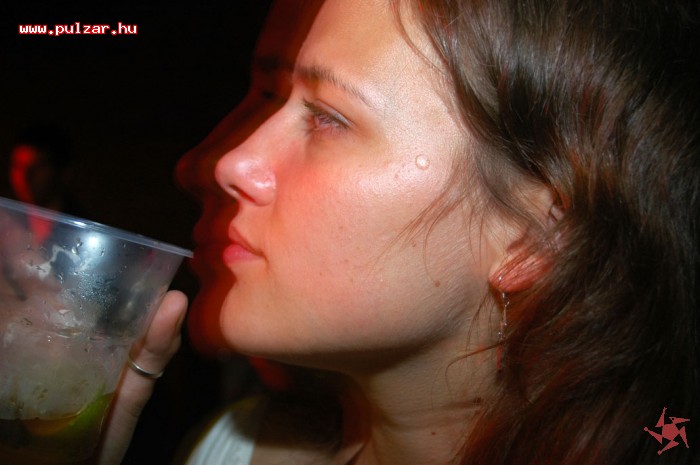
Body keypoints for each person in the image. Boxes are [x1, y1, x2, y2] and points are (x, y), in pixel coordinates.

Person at [99, 0, 699, 464]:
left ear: (531, 239)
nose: (230, 164)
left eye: (328, 117)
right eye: (275, 98)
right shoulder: (230, 447)